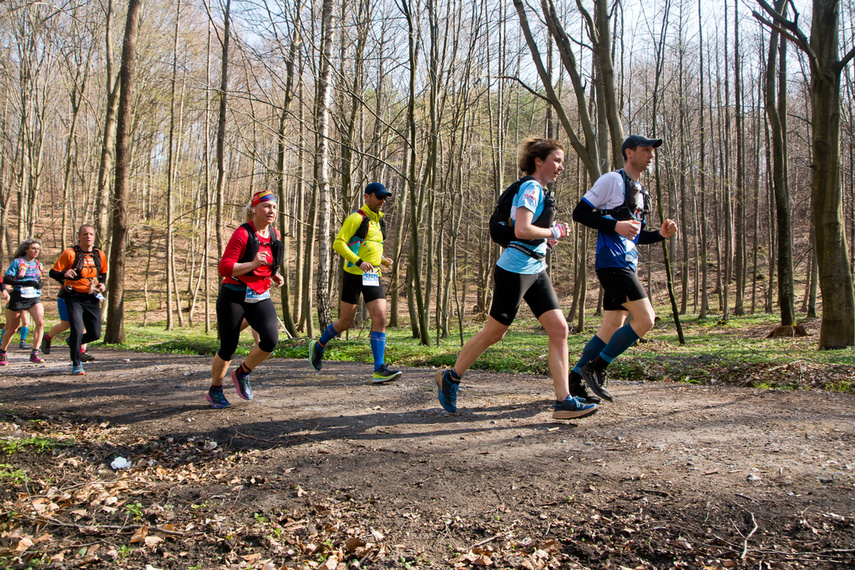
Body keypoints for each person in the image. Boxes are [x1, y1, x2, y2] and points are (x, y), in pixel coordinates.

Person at [435, 137, 598, 420]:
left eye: (562, 162)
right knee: (494, 333)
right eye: (556, 160)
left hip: (536, 269)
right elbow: (522, 229)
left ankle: (564, 402)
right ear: (539, 160)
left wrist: (545, 241)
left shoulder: (543, 192)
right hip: (515, 270)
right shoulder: (531, 187)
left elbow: (528, 232)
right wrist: (554, 232)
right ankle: (451, 377)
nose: (561, 167)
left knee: (559, 329)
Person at [570, 135, 678, 402]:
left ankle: (574, 381)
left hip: (626, 261)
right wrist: (614, 225)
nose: (651, 155)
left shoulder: (638, 190)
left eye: (652, 151)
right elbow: (580, 213)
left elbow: (635, 236)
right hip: (612, 262)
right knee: (646, 319)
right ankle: (596, 367)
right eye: (645, 150)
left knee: (610, 326)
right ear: (629, 153)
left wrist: (660, 235)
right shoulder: (612, 180)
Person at [308, 182, 402, 383]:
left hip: (372, 275)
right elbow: (338, 243)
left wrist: (382, 260)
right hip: (353, 274)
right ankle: (319, 346)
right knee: (345, 322)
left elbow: (368, 245)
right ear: (367, 197)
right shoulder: (356, 218)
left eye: (384, 198)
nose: (382, 201)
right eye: (379, 197)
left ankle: (379, 368)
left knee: (380, 318)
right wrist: (358, 262)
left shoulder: (378, 222)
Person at [207, 190, 284, 409]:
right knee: (228, 347)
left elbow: (267, 265)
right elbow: (224, 268)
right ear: (254, 209)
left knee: (269, 341)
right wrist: (252, 264)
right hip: (233, 293)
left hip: (259, 294)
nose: (271, 211)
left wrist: (274, 274)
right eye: (267, 206)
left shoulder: (274, 235)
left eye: (274, 207)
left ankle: (242, 373)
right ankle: (215, 389)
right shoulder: (243, 233)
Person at [49, 225, 108, 375]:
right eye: (85, 234)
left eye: (90, 234)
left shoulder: (99, 254)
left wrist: (102, 283)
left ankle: (72, 342)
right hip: (73, 296)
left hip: (91, 296)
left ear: (94, 237)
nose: (88, 236)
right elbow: (52, 272)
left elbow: (103, 273)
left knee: (95, 334)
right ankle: (77, 364)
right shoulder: (69, 253)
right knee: (76, 329)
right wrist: (64, 274)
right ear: (79, 236)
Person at [0, 240, 46, 365]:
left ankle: (34, 353)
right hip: (18, 297)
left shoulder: (38, 264)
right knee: (12, 329)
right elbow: (7, 278)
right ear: (26, 250)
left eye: (37, 249)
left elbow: (38, 279)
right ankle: (2, 352)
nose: (36, 251)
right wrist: (24, 283)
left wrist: (39, 284)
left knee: (40, 322)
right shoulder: (17, 262)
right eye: (33, 248)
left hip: (33, 297)